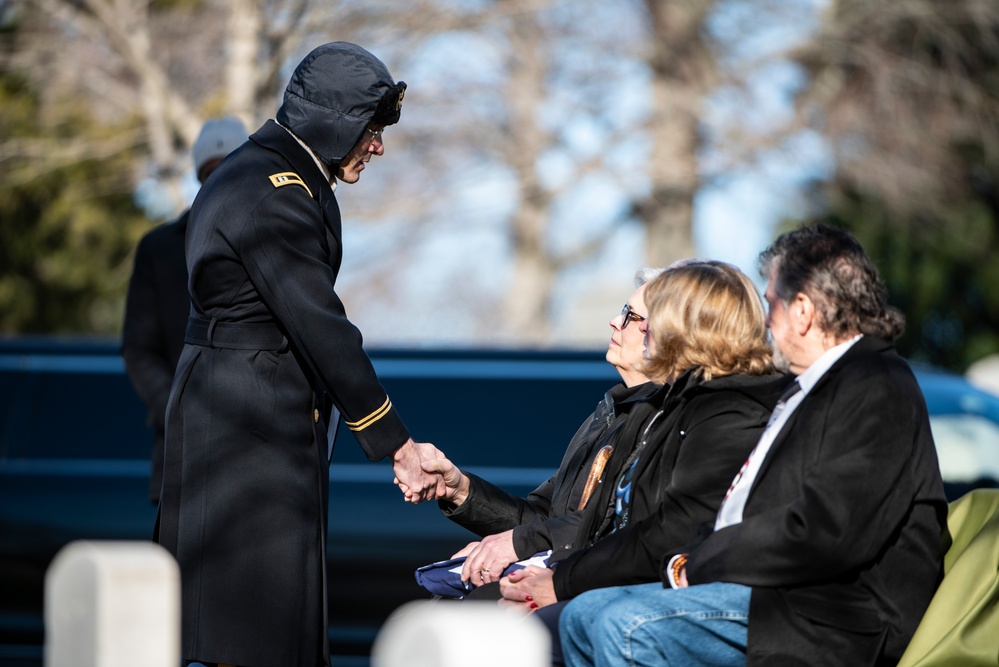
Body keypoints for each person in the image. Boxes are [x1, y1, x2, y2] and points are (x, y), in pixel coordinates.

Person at [154, 42, 443, 667]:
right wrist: (395, 442)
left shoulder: (268, 172)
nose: (378, 146)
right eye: (370, 130)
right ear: (334, 121)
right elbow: (320, 325)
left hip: (241, 424)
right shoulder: (274, 190)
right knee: (254, 638)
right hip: (247, 434)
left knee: (255, 634)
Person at [559, 224, 950, 667]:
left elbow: (824, 532)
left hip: (833, 615)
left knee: (624, 626)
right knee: (583, 615)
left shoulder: (875, 386)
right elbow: (751, 510)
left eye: (772, 303)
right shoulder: (811, 387)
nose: (765, 321)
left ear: (802, 310)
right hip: (772, 592)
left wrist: (696, 564)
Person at [498, 261, 787, 664]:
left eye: (652, 316)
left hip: (719, 592)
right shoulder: (675, 405)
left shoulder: (732, 410)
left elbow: (675, 530)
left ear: (691, 324)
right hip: (643, 577)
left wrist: (560, 583)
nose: (637, 327)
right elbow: (608, 524)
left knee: (560, 626)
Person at [423, 268, 664, 591]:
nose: (614, 321)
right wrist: (460, 490)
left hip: (596, 591)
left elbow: (616, 528)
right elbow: (541, 521)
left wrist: (519, 553)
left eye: (630, 315)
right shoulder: (608, 413)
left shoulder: (667, 420)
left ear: (667, 332)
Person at [122, 116, 247, 506]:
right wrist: (177, 409)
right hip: (182, 459)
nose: (220, 180)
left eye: (232, 168)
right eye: (211, 171)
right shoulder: (159, 249)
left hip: (255, 459)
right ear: (198, 176)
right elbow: (138, 348)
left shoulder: (271, 238)